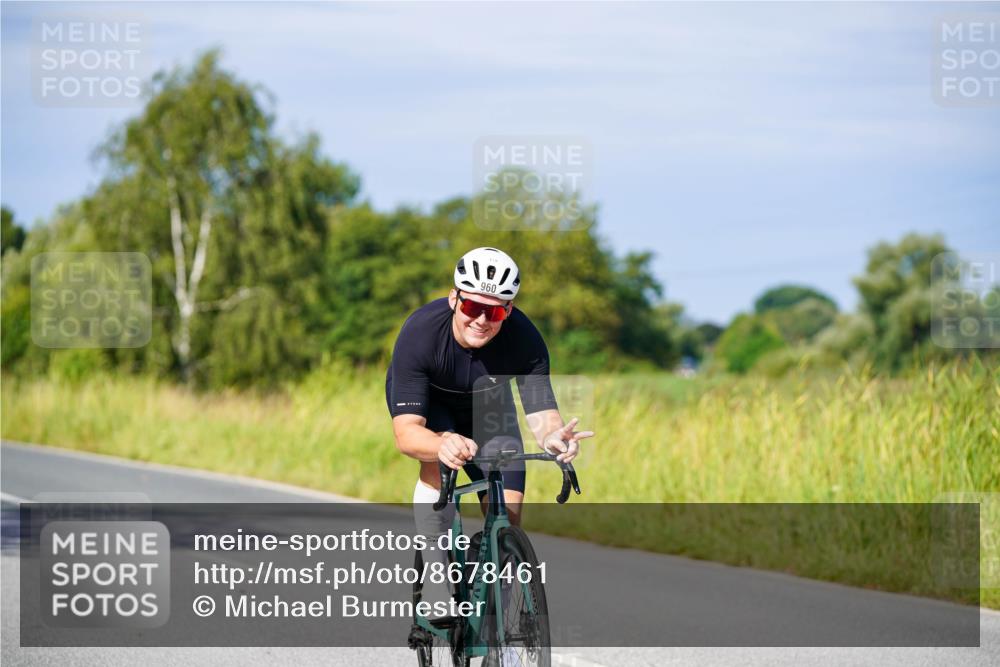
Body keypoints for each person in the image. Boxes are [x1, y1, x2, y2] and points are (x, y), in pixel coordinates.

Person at [386, 246, 594, 526]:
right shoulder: (420, 333)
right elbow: (406, 434)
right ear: (453, 299)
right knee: (438, 464)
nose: (481, 320)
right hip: (432, 401)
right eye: (472, 307)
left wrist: (553, 438)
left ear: (508, 310)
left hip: (488, 404)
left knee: (507, 517)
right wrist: (440, 444)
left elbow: (542, 412)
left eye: (494, 312)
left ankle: (499, 554)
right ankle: (436, 565)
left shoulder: (526, 341)